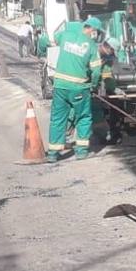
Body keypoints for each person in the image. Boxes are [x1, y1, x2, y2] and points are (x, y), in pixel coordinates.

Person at [46, 17, 103, 162]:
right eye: (96, 32)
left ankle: (53, 153)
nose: (95, 35)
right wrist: (94, 85)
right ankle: (81, 151)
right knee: (83, 117)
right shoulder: (91, 46)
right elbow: (96, 71)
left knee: (58, 119)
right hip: (79, 88)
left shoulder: (66, 35)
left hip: (60, 86)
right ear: (92, 29)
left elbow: (55, 37)